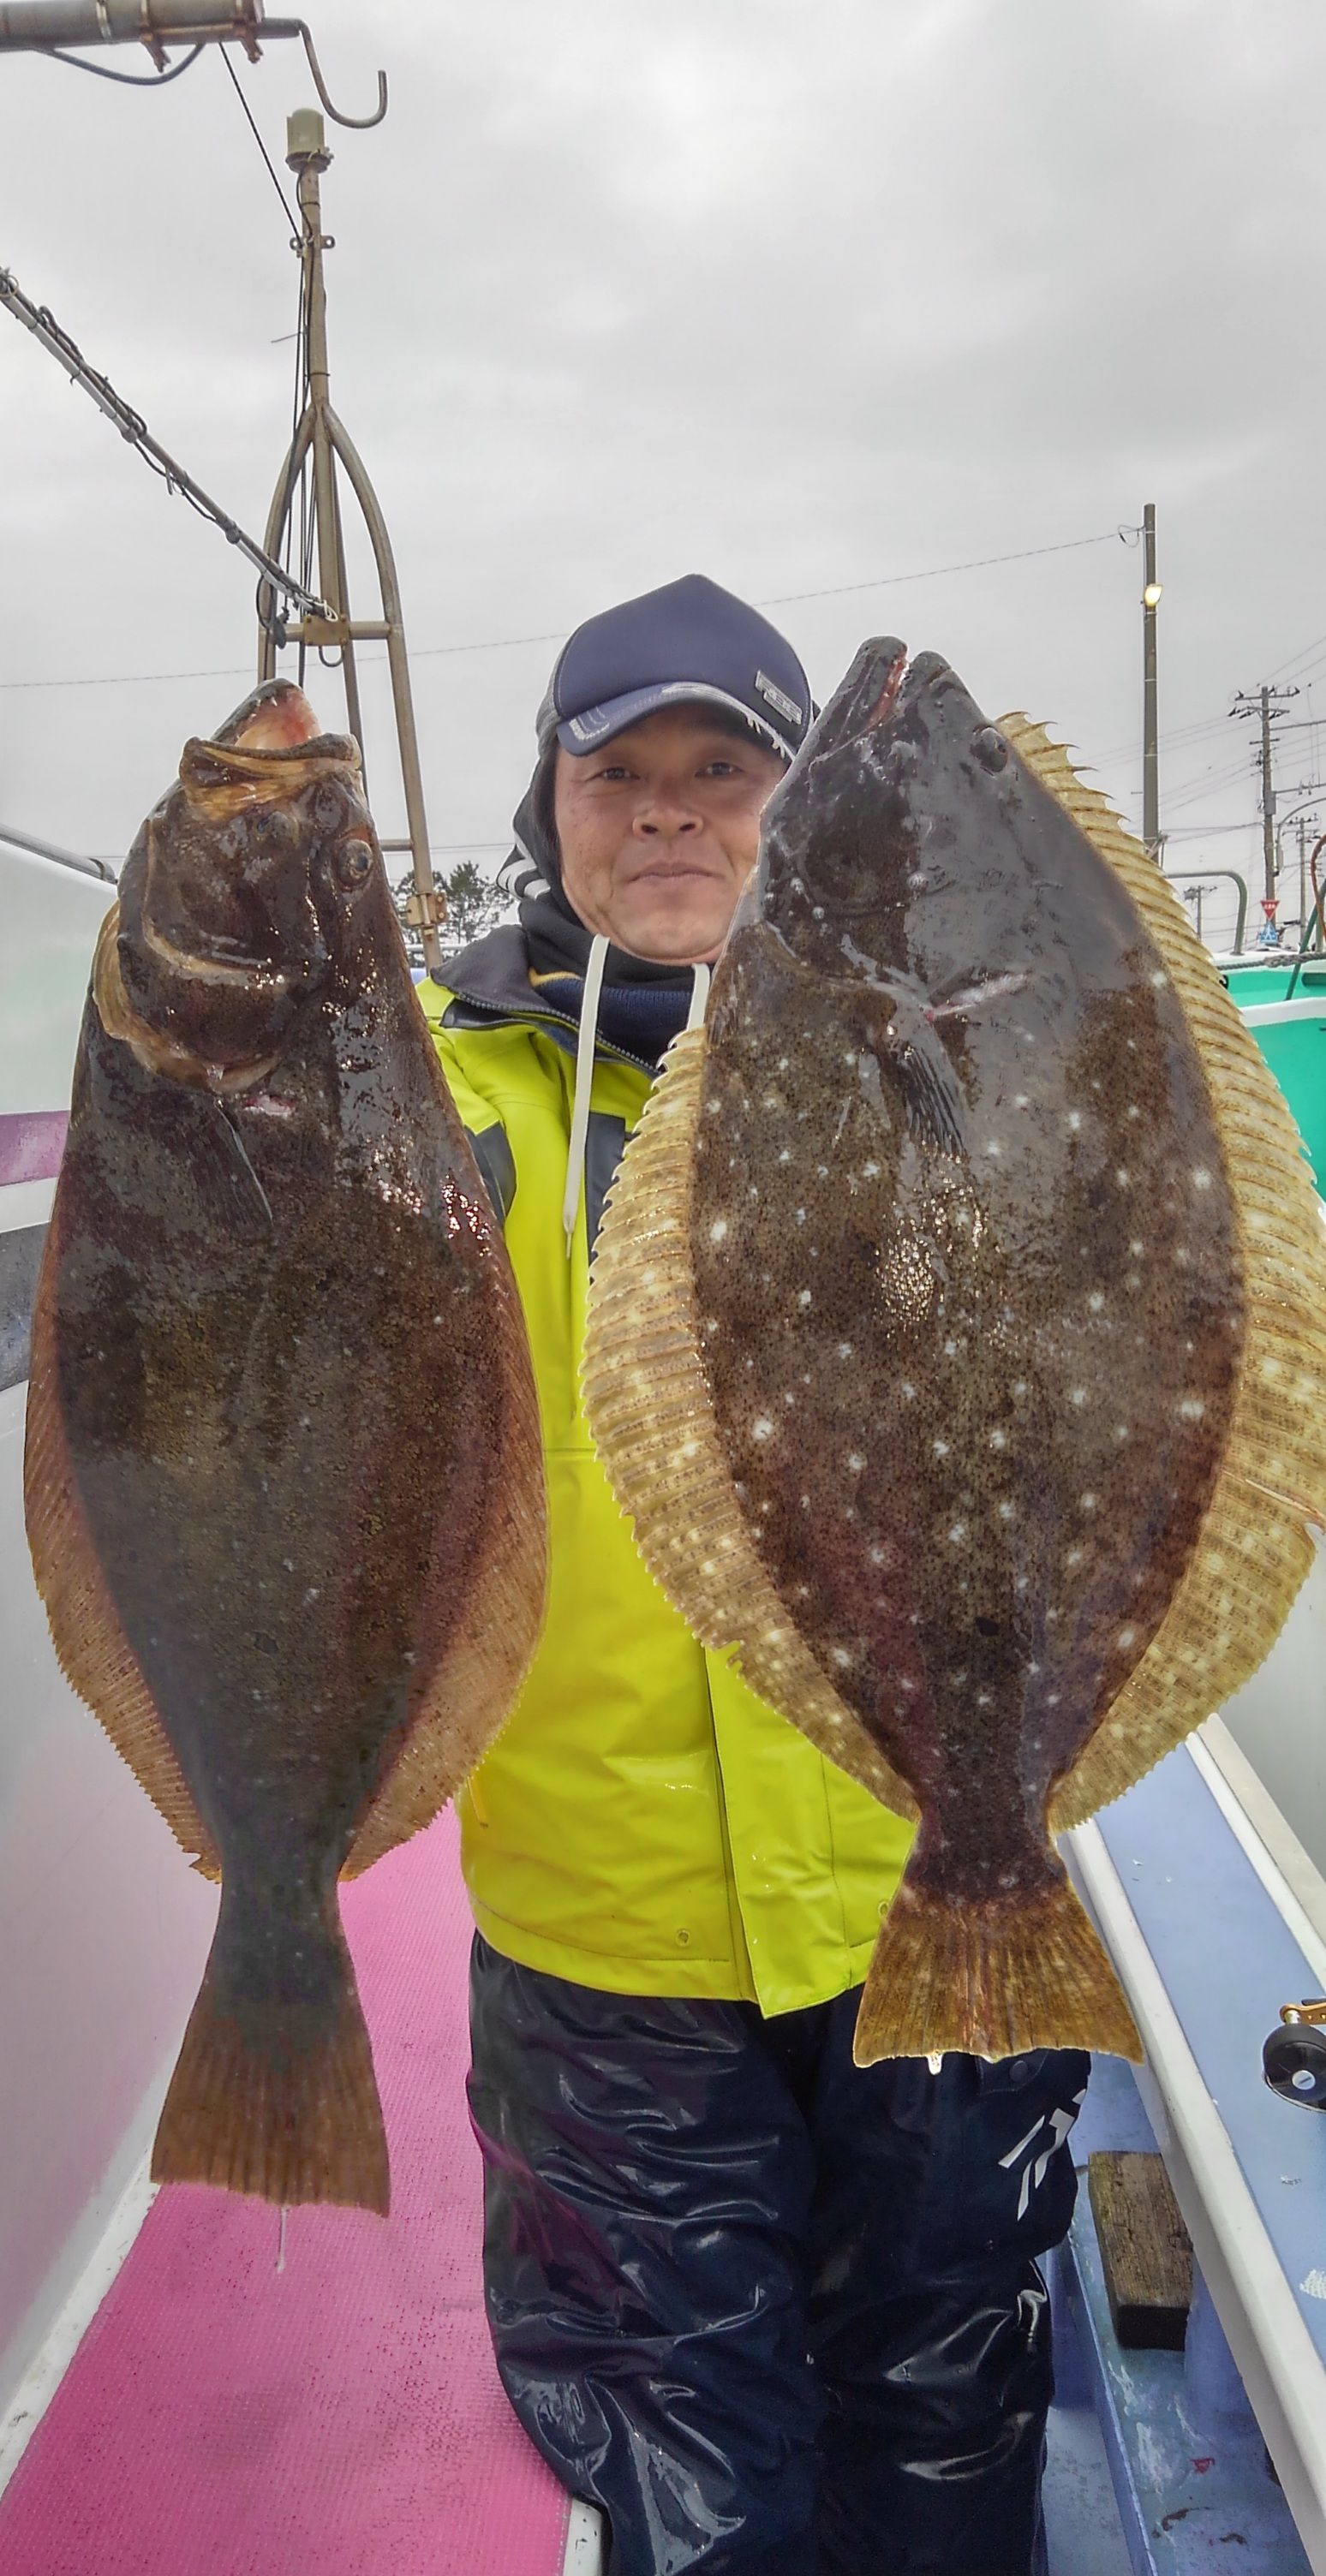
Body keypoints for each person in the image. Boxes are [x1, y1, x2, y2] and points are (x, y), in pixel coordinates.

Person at [417, 574, 1089, 2576]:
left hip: (920, 1874)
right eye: (616, 771)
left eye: (723, 768)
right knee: (684, 2464)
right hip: (605, 1932)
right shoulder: (443, 1104)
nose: (669, 811)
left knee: (945, 2406)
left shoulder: (947, 1058)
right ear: (548, 806)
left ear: (798, 810)